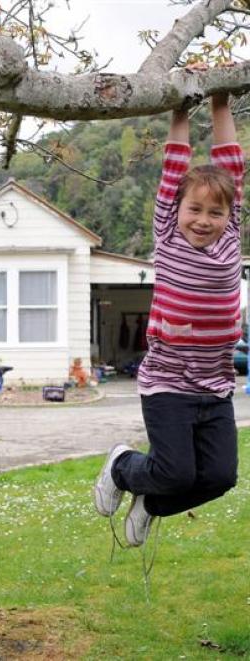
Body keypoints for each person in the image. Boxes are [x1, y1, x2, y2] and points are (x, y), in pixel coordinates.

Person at [95, 81, 245, 547]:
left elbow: (232, 165)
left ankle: (151, 503)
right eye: (194, 209)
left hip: (215, 384)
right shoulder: (169, 236)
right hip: (169, 384)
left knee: (220, 476)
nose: (203, 220)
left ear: (229, 215)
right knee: (175, 470)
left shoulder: (229, 237)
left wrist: (221, 103)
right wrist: (181, 108)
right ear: (175, 210)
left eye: (214, 213)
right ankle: (121, 465)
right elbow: (175, 164)